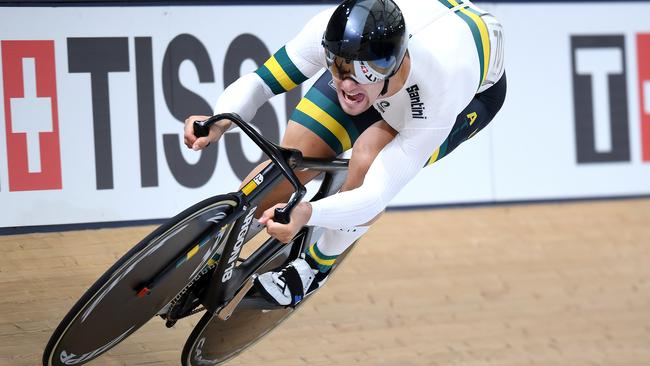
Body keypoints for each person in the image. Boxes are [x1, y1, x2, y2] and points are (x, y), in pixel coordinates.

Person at [184, 0, 506, 307]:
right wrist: (219, 120)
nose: (348, 83)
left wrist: (307, 213)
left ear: (389, 67)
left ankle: (314, 266)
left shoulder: (438, 92)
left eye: (362, 73)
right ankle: (222, 247)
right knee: (290, 160)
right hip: (398, 53)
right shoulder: (333, 35)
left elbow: (376, 195)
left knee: (367, 158)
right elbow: (262, 82)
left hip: (472, 93)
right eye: (338, 67)